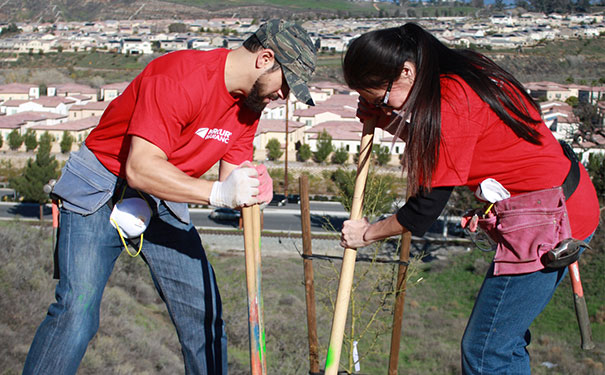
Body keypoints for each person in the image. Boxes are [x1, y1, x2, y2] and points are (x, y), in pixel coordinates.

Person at [23, 19, 316, 375]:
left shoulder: (249, 107)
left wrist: (251, 187)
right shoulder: (180, 76)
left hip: (163, 194)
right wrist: (219, 193)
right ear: (264, 58)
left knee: (203, 311)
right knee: (76, 312)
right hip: (101, 186)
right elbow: (140, 168)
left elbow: (231, 179)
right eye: (286, 85)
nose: (283, 97)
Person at [338, 23, 599, 374]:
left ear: (406, 71)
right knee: (502, 345)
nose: (380, 105)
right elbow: (451, 147)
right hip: (562, 205)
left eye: (381, 98)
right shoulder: (462, 73)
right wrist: (390, 122)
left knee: (486, 351)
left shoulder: (452, 102)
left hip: (550, 224)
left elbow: (423, 211)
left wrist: (365, 234)